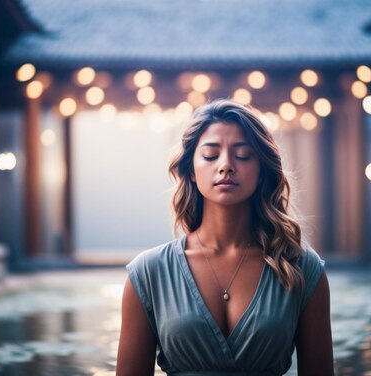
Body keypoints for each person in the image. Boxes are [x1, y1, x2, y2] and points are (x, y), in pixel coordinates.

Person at [116, 99, 333, 376]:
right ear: (191, 171)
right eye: (210, 155)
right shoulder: (148, 272)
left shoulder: (300, 268)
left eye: (243, 155)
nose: (226, 166)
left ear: (262, 170)